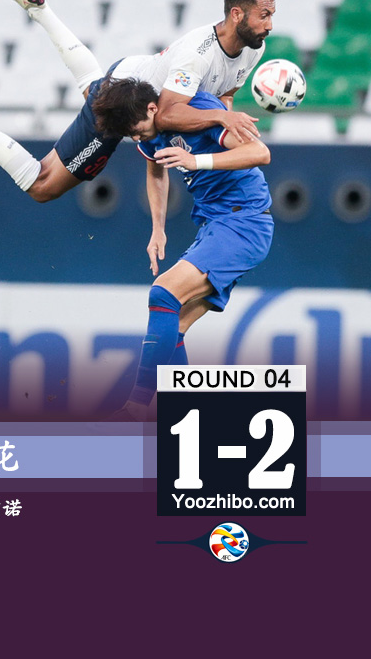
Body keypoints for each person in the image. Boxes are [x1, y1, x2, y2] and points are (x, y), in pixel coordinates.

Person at [0, 0, 274, 201]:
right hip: (125, 102)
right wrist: (222, 120)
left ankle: (40, 10)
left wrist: (225, 116)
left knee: (91, 90)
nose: (270, 25)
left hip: (130, 78)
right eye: (264, 16)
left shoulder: (253, 49)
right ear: (236, 15)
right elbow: (166, 115)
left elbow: (223, 95)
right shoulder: (198, 53)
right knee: (42, 185)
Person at [107, 84, 273, 421]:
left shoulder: (197, 114)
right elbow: (156, 169)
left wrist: (196, 160)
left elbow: (259, 152)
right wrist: (158, 228)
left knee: (163, 293)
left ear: (153, 109)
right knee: (176, 323)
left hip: (244, 221)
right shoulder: (150, 135)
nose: (136, 137)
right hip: (217, 225)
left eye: (136, 129)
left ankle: (135, 409)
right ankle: (191, 418)